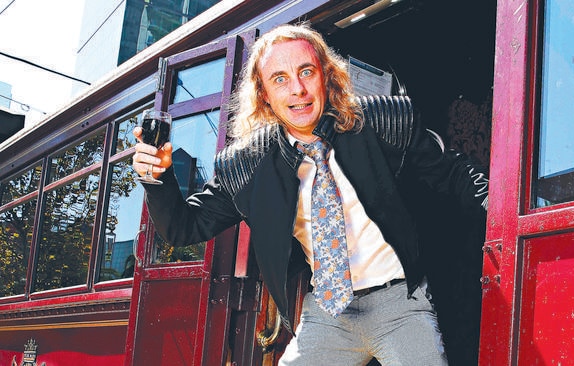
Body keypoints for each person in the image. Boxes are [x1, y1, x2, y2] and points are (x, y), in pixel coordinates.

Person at [133, 22, 488, 365]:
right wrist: (157, 177)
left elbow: (453, 173)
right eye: (280, 79)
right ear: (265, 95)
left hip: (401, 302)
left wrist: (499, 210)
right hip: (329, 314)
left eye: (306, 72)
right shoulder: (248, 165)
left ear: (326, 77)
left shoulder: (380, 121)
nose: (297, 90)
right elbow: (182, 228)